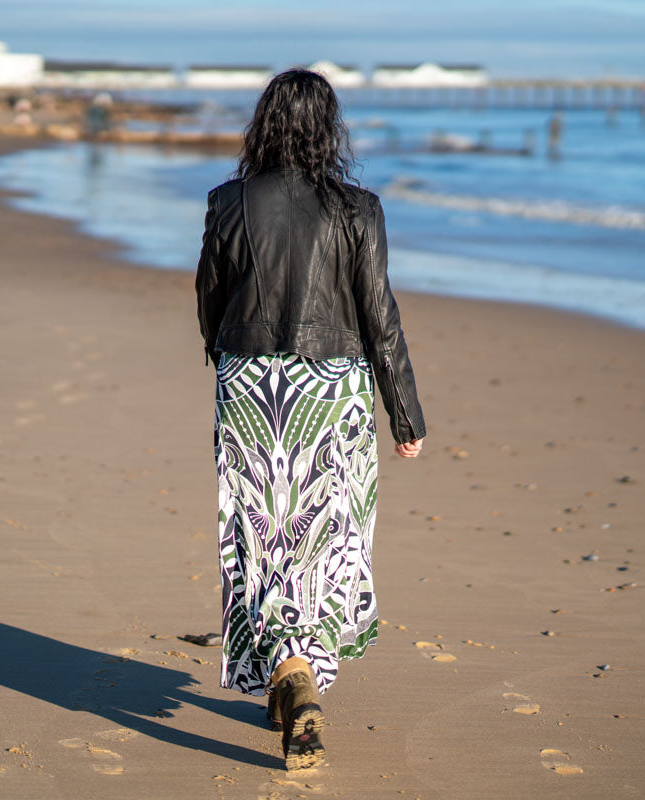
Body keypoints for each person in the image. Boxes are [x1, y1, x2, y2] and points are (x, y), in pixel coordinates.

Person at [195, 69, 426, 771]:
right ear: (329, 130)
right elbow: (378, 317)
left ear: (262, 124)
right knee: (327, 536)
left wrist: (226, 354)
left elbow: (211, 295)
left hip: (250, 384)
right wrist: (405, 414)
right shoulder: (359, 208)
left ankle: (284, 673)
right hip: (334, 392)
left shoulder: (229, 201)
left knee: (259, 535)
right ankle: (297, 674)